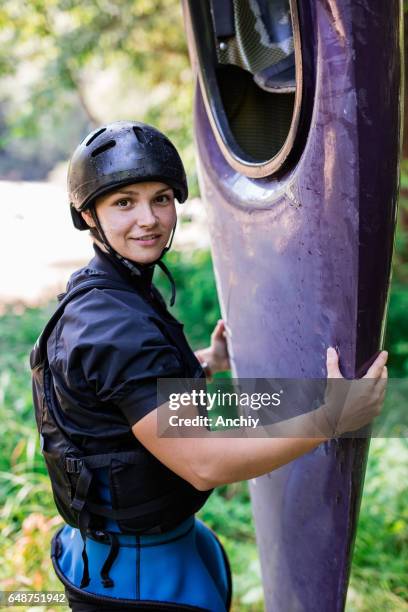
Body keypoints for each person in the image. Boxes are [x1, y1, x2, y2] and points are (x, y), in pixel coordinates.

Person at [30, 120, 387, 612]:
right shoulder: (115, 325)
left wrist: (205, 364)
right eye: (124, 202)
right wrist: (333, 416)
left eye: (161, 198)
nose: (149, 219)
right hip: (139, 579)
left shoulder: (105, 288)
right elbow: (204, 464)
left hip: (123, 553)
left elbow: (117, 398)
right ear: (89, 214)